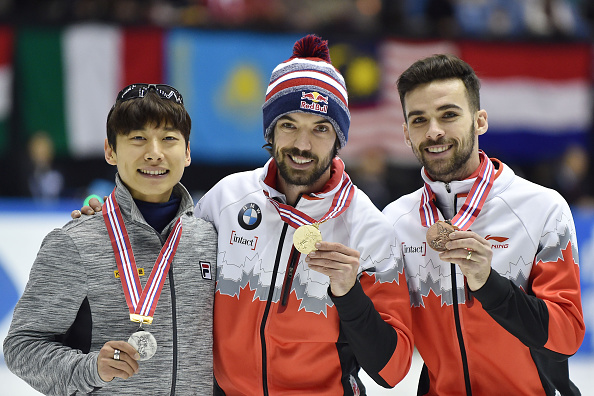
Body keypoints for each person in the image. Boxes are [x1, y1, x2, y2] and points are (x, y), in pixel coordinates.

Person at [80, 34, 414, 395]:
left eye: (320, 129)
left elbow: (393, 370)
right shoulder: (228, 199)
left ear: (339, 137)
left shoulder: (368, 229)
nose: (303, 145)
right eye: (289, 125)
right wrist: (115, 225)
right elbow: (163, 262)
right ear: (270, 130)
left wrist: (349, 295)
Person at [382, 54, 585, 395]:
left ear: (480, 121)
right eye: (419, 120)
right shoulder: (394, 223)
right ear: (405, 133)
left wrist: (489, 284)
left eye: (448, 115)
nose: (434, 132)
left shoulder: (542, 209)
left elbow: (566, 335)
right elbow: (389, 358)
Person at [3, 84, 217, 395]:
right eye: (138, 138)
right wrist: (92, 369)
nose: (154, 153)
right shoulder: (74, 243)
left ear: (186, 152)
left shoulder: (211, 239)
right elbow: (22, 348)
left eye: (169, 139)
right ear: (110, 151)